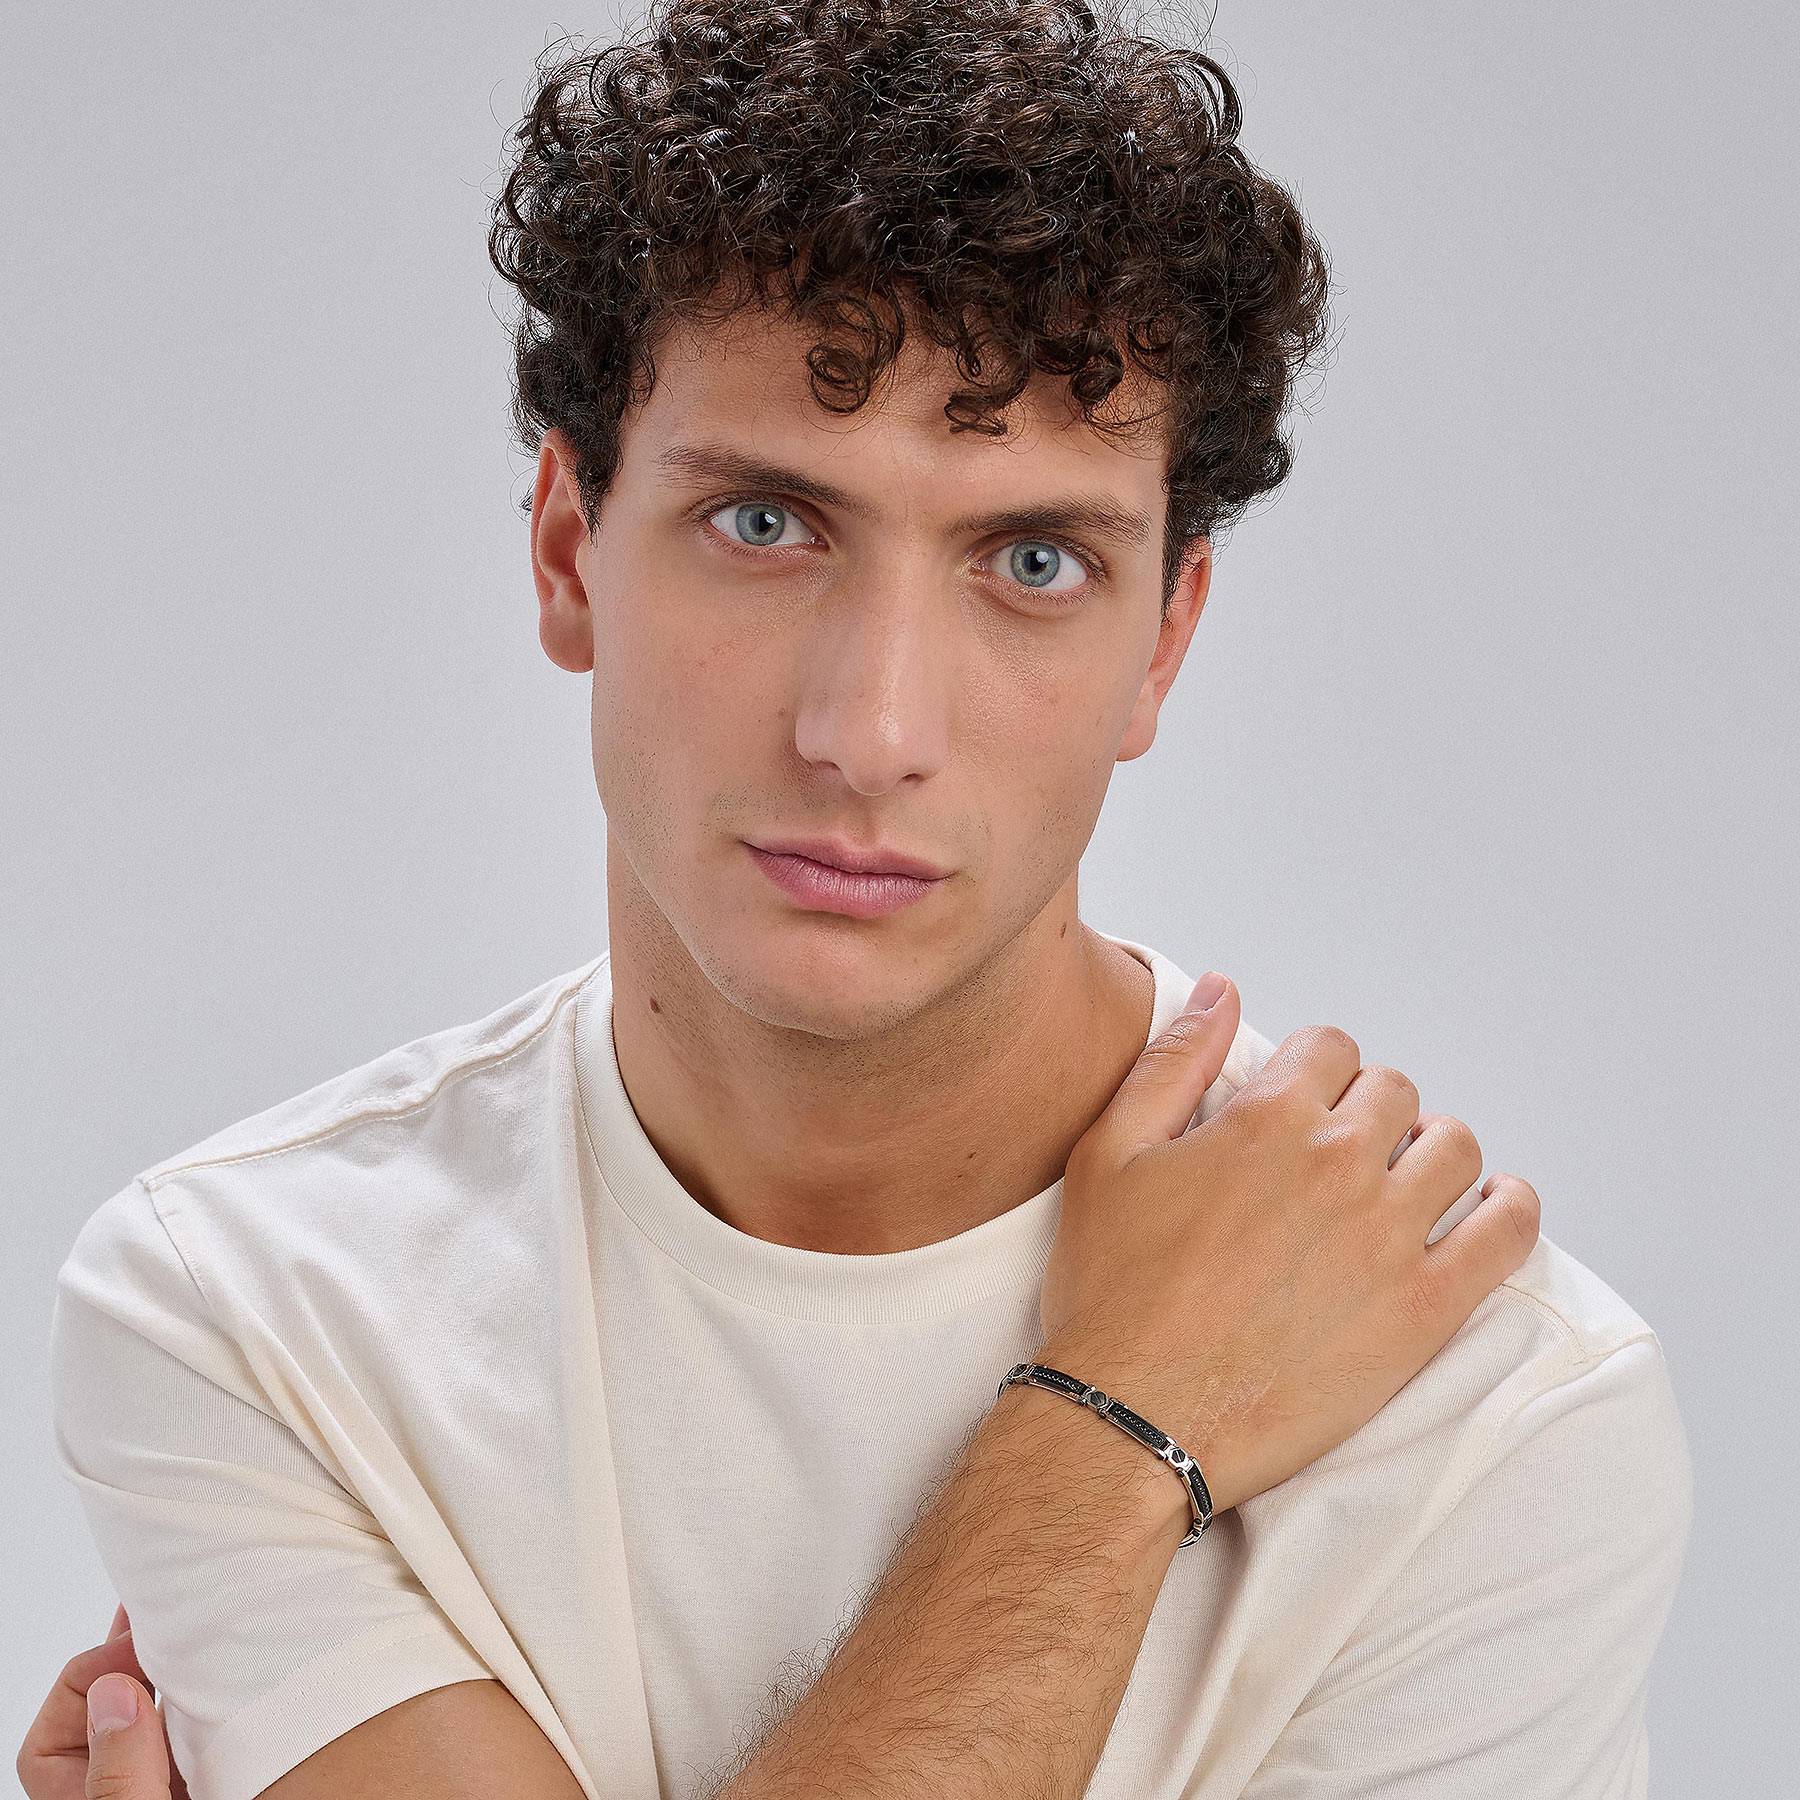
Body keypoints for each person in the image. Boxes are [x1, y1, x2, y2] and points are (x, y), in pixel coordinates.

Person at [28, 1, 1692, 1796]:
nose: (871, 733)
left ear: (1164, 642)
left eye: (1034, 560)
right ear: (569, 550)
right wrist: (1116, 1424)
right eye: (767, 524)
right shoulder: (252, 1318)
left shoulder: (1486, 1414)